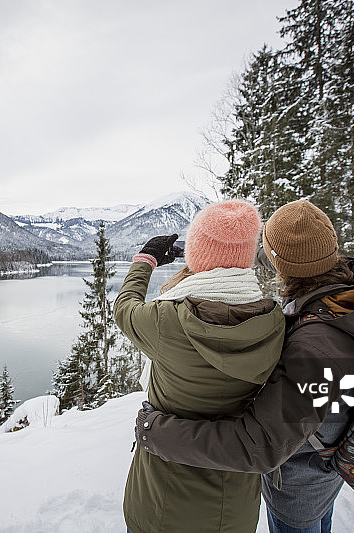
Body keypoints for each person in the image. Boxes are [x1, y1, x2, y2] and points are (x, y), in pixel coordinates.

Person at [134, 199, 354, 533]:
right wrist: (206, 253)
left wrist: (157, 432)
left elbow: (259, 446)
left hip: (300, 487)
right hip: (324, 464)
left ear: (283, 264)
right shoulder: (353, 291)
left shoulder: (318, 347)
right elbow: (288, 256)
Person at [114, 199, 286, 533]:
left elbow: (124, 308)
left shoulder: (167, 321)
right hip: (236, 502)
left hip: (163, 500)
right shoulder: (275, 322)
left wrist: (146, 259)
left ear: (197, 256)